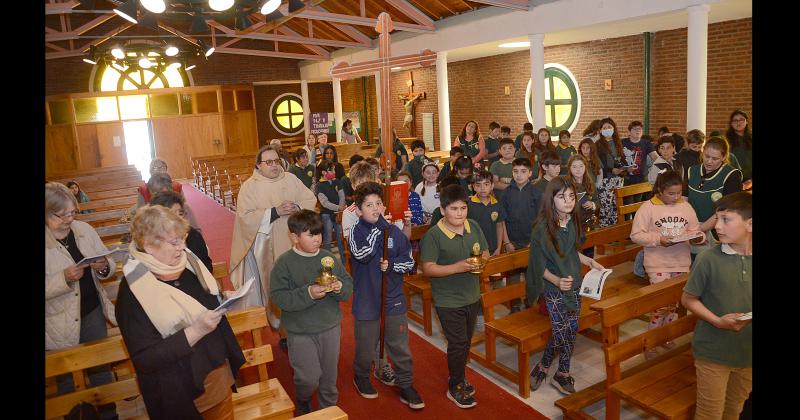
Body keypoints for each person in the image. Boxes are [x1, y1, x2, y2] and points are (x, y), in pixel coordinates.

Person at [116, 205, 246, 419]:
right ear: (148, 245)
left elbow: (200, 302)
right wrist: (196, 331)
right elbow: (145, 358)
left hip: (217, 377)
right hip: (180, 390)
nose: (182, 247)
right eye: (174, 242)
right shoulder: (134, 292)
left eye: (183, 238)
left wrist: (222, 299)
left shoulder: (188, 265)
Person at [270, 210, 354, 415]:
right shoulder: (284, 263)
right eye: (311, 235)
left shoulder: (328, 258)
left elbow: (348, 288)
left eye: (319, 234)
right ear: (294, 237)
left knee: (329, 376)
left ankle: (328, 410)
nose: (318, 239)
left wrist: (338, 287)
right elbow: (279, 298)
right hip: (300, 330)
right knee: (307, 377)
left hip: (329, 326)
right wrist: (308, 293)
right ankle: (303, 398)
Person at [348, 182, 424, 409]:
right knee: (366, 345)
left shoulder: (396, 233)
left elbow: (410, 262)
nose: (375, 208)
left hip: (393, 299)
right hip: (367, 299)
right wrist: (378, 230)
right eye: (368, 205)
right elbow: (362, 254)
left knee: (399, 345)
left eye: (378, 203)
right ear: (359, 211)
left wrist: (390, 264)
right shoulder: (357, 232)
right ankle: (361, 376)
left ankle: (406, 384)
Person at [45, 183, 118, 419]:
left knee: (101, 369)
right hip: (58, 320)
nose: (69, 219)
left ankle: (109, 415)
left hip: (92, 310)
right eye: (62, 214)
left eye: (72, 213)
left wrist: (104, 266)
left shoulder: (84, 229)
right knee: (66, 377)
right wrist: (63, 278)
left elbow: (108, 260)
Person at [526, 177, 605, 395]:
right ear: (551, 200)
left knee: (570, 329)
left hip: (574, 283)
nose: (569, 201)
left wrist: (589, 261)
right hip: (553, 286)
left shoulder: (572, 221)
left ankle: (561, 372)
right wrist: (555, 280)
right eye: (562, 197)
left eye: (571, 196)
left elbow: (570, 251)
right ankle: (545, 366)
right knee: (563, 330)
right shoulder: (541, 229)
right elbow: (536, 265)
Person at [229, 145, 317, 333]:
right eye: (268, 162)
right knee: (278, 286)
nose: (274, 166)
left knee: (301, 282)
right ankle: (283, 328)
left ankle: (304, 320)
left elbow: (310, 199)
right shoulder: (249, 187)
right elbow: (245, 218)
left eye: (276, 161)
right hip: (269, 248)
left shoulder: (291, 179)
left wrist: (297, 206)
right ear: (258, 165)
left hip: (298, 245)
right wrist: (274, 212)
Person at [680, 192, 751, 420]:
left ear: (750, 224)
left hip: (747, 353)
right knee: (709, 414)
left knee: (734, 410)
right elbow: (688, 299)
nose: (717, 226)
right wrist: (718, 321)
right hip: (713, 351)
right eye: (717, 219)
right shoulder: (708, 259)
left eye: (726, 220)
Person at [420, 184, 489, 409]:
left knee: (465, 342)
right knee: (458, 343)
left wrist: (482, 261)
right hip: (448, 300)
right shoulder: (434, 235)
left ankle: (458, 375)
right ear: (442, 210)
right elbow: (429, 268)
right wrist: (459, 267)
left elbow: (485, 252)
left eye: (463, 208)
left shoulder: (474, 226)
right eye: (454, 209)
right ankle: (455, 385)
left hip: (472, 294)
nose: (459, 213)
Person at [631, 170, 704, 359]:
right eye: (671, 193)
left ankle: (665, 337)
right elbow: (636, 235)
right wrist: (658, 239)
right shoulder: (648, 207)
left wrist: (698, 238)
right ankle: (651, 343)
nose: (676, 197)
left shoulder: (685, 206)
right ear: (660, 190)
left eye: (679, 193)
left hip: (680, 262)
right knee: (659, 306)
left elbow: (695, 229)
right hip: (658, 263)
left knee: (672, 304)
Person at [686, 136, 743, 257]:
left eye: (715, 158)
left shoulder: (732, 175)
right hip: (691, 227)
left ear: (723, 157)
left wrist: (700, 229)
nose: (709, 161)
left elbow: (726, 211)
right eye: (706, 156)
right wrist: (688, 227)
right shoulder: (692, 171)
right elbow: (684, 201)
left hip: (717, 231)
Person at [150, 190, 213, 272]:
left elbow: (207, 267)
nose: (178, 219)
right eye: (172, 214)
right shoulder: (152, 242)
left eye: (180, 213)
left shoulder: (193, 235)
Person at [501, 158, 538, 253]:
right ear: (512, 172)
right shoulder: (506, 193)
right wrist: (507, 242)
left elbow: (541, 220)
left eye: (523, 171)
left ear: (530, 173)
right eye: (515, 171)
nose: (519, 175)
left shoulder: (537, 193)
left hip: (532, 242)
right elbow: (502, 220)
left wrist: (534, 241)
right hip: (511, 242)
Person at [595, 117, 626, 227]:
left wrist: (625, 167)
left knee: (615, 207)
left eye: (609, 127)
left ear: (614, 128)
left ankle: (614, 232)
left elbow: (621, 158)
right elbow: (598, 164)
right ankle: (605, 233)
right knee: (605, 207)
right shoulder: (598, 145)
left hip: (618, 179)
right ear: (600, 130)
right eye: (604, 127)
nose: (607, 129)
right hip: (605, 180)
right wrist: (611, 170)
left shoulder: (618, 142)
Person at [315, 160, 347, 262]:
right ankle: (328, 264)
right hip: (326, 215)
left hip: (338, 214)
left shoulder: (336, 181)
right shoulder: (319, 185)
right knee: (328, 240)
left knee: (340, 239)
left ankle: (344, 262)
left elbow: (342, 195)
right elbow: (324, 203)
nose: (334, 171)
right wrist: (338, 208)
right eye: (331, 170)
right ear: (324, 172)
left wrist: (341, 207)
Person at [469, 170, 506, 257]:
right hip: (474, 250)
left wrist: (498, 247)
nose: (482, 188)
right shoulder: (467, 205)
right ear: (473, 187)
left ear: (492, 186)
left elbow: (499, 226)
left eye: (486, 184)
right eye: (478, 185)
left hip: (493, 248)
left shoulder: (497, 204)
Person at [565, 154, 599, 230]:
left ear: (585, 167)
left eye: (581, 166)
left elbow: (597, 201)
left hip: (588, 221)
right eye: (574, 167)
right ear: (570, 168)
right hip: (572, 222)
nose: (578, 169)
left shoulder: (590, 182)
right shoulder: (566, 184)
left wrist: (592, 204)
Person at [622, 121, 658, 185]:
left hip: (641, 178)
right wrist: (625, 169)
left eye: (640, 129)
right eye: (635, 129)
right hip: (625, 177)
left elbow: (655, 157)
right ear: (629, 131)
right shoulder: (622, 143)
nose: (638, 131)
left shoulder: (647, 143)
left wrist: (665, 164)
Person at [725, 110, 753, 184]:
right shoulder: (725, 140)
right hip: (731, 179)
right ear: (731, 123)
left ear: (746, 122)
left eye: (741, 119)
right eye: (735, 120)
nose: (738, 122)